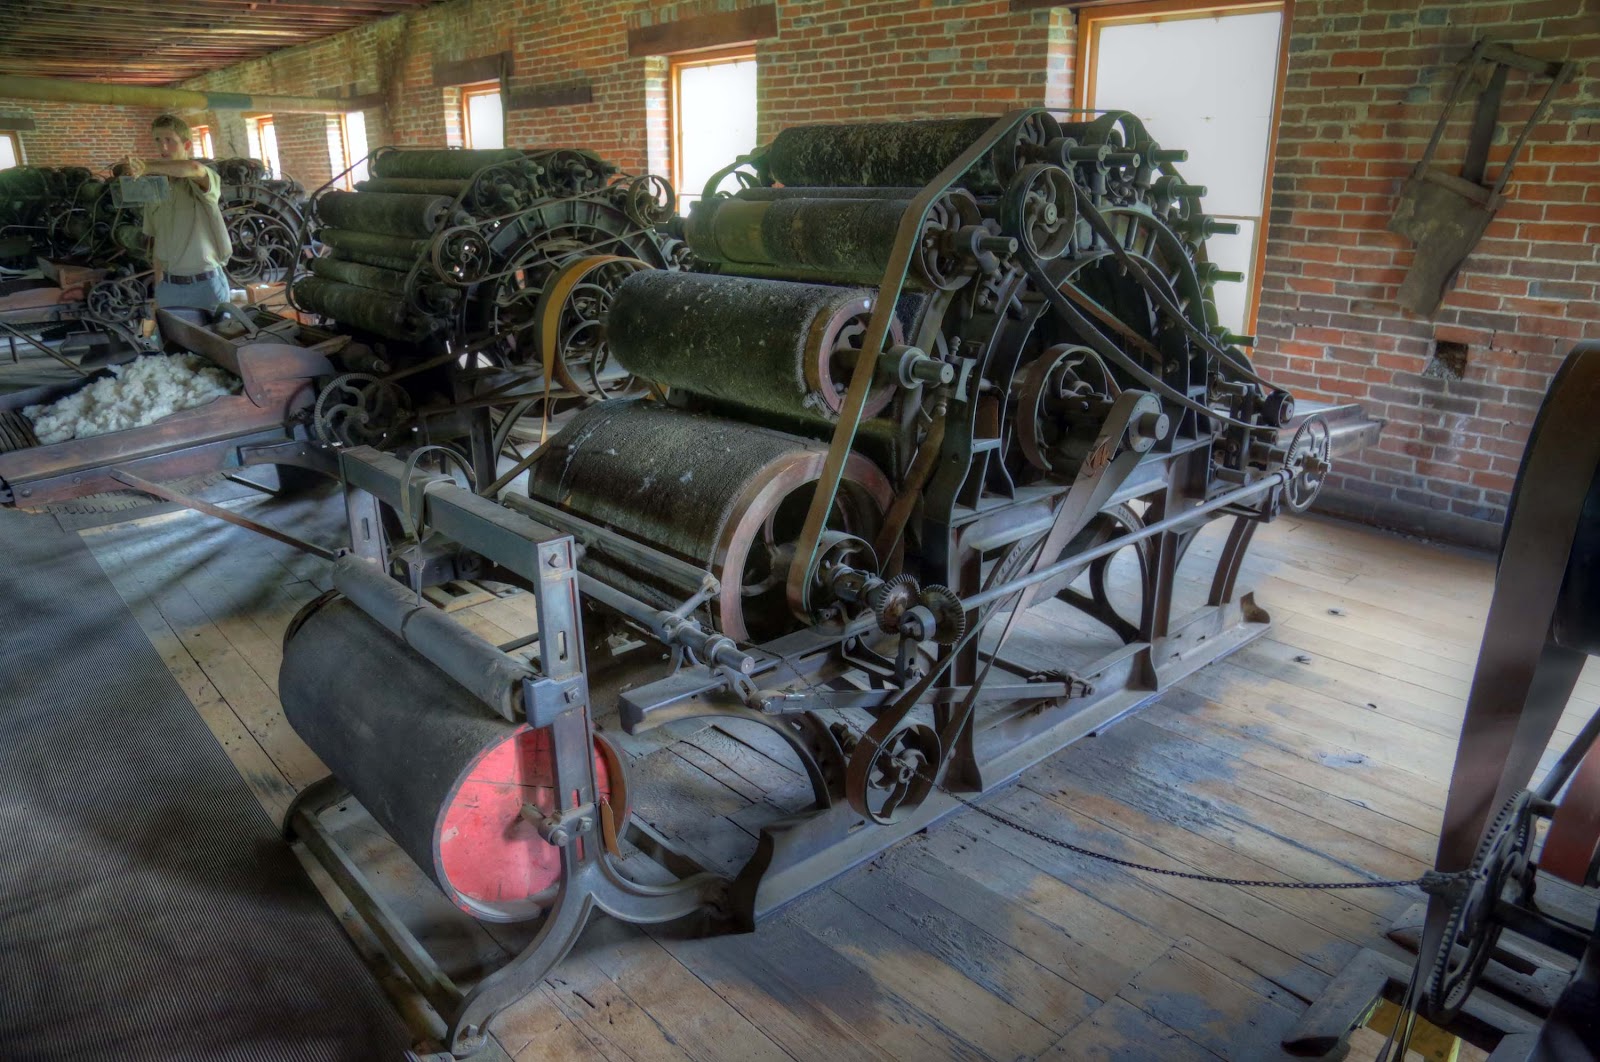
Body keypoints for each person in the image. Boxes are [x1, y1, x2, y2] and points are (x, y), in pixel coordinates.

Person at [120, 114, 232, 310]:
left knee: (217, 330)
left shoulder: (201, 180)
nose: (163, 147)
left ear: (186, 145)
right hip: (169, 287)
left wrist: (146, 167)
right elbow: (157, 244)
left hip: (206, 286)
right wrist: (159, 290)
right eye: (158, 140)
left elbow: (194, 168)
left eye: (169, 140)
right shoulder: (155, 189)